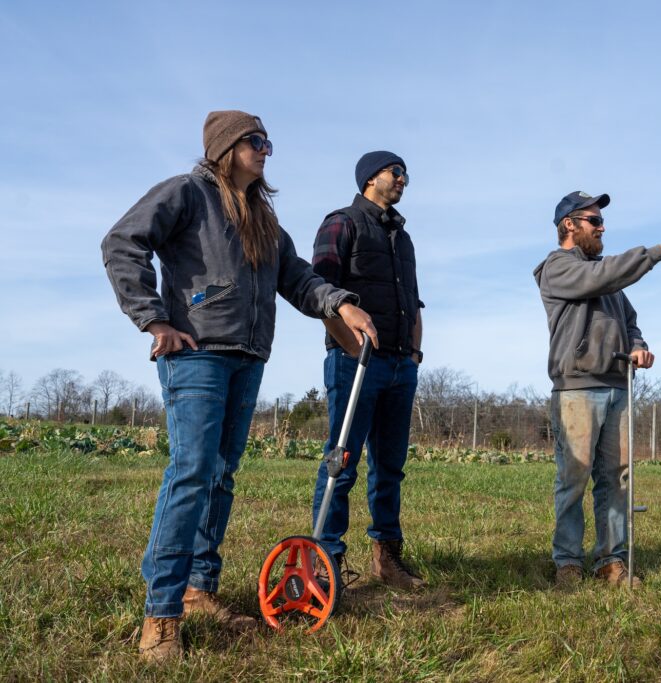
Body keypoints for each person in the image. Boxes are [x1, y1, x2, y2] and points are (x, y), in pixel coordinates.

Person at [101, 110, 377, 662]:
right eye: (256, 141)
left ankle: (201, 588)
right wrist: (154, 318)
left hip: (249, 357)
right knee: (192, 470)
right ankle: (162, 613)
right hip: (197, 353)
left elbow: (296, 277)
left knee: (221, 475)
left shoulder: (264, 219)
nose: (267, 149)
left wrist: (338, 301)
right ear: (226, 147)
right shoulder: (187, 193)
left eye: (268, 141)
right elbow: (122, 242)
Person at [533, 191, 661, 588]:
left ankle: (611, 562)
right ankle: (567, 563)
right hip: (577, 390)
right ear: (569, 224)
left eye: (601, 221)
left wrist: (639, 348)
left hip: (618, 388)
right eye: (594, 220)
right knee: (573, 480)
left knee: (617, 479)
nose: (602, 227)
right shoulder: (557, 267)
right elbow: (601, 276)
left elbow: (631, 323)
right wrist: (657, 252)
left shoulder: (614, 286)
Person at [309, 150, 426, 590]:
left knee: (390, 466)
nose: (403, 180)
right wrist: (352, 348)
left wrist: (414, 354)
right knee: (341, 462)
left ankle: (386, 556)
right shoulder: (342, 222)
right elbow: (319, 291)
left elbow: (413, 299)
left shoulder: (403, 237)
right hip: (354, 363)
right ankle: (327, 561)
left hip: (400, 365)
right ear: (369, 178)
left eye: (406, 174)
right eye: (396, 172)